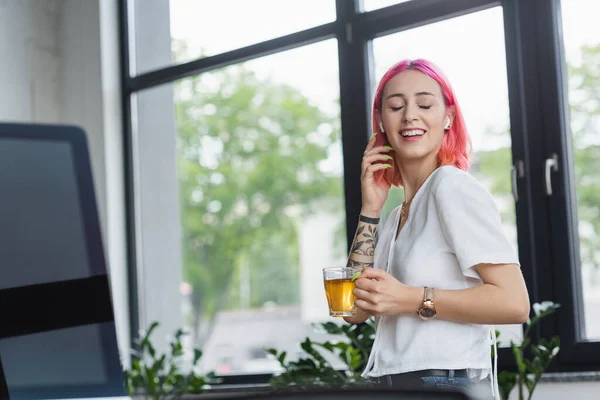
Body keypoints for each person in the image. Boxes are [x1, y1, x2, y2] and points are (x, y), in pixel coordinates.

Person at [343, 59, 530, 400]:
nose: (410, 115)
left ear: (448, 118)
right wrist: (370, 208)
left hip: (442, 384)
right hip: (395, 384)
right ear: (382, 122)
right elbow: (353, 311)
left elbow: (514, 302)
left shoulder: (451, 187)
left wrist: (410, 299)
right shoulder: (395, 216)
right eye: (396, 106)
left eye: (425, 104)